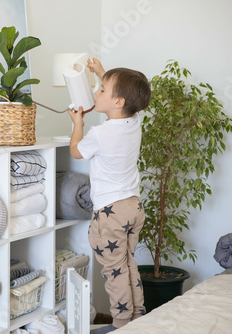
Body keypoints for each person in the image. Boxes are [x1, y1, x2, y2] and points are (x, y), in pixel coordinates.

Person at [68, 59, 151, 334]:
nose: (96, 92)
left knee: (114, 273)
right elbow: (124, 98)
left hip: (110, 212)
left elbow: (77, 151)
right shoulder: (134, 121)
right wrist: (102, 74)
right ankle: (139, 316)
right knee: (127, 264)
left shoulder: (99, 133)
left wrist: (77, 122)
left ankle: (121, 324)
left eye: (101, 89)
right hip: (133, 206)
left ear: (118, 102)